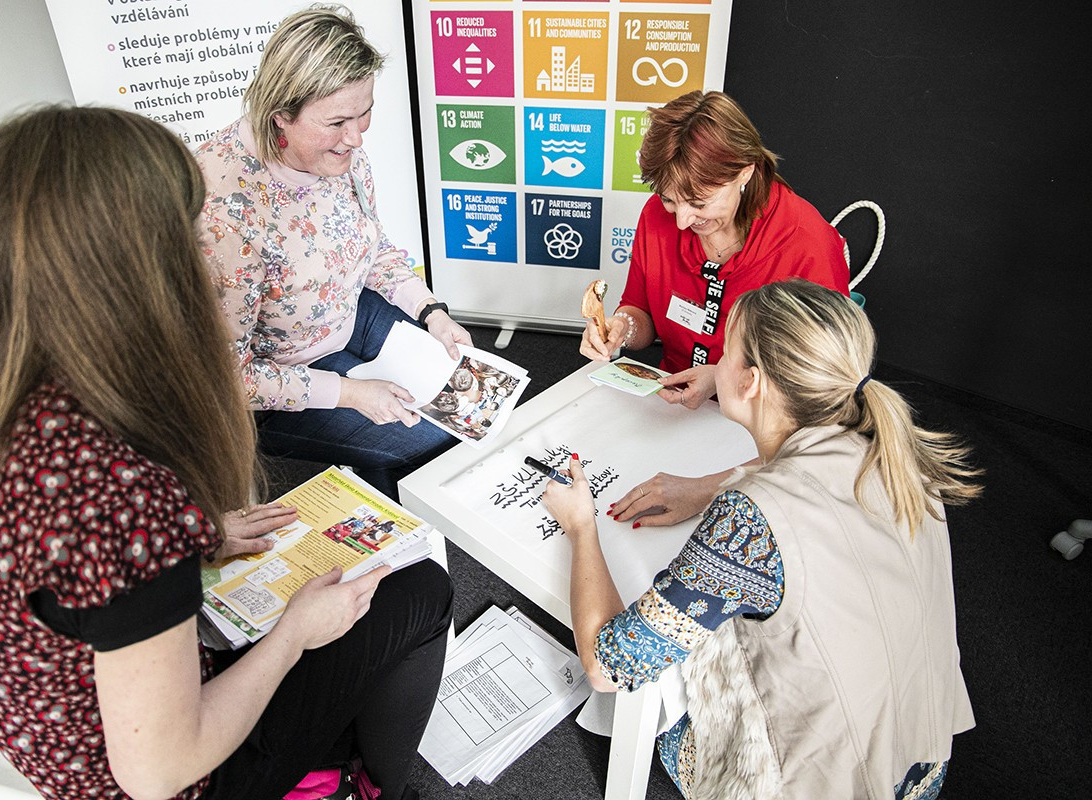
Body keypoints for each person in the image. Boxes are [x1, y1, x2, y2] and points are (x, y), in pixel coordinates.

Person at [0, 106, 452, 800]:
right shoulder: (121, 492)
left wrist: (194, 541)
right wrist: (294, 637)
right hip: (159, 777)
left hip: (30, 717)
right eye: (189, 231)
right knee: (422, 590)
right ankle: (374, 788)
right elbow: (160, 773)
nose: (205, 247)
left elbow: (60, 570)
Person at [547, 279, 979, 799]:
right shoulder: (893, 446)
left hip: (835, 787)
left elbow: (607, 667)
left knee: (669, 700)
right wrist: (710, 487)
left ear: (751, 381)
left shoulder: (749, 522)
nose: (717, 364)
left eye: (725, 354)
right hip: (920, 759)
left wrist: (582, 526)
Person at [195, 4, 470, 499]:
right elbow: (228, 376)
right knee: (426, 437)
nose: (357, 137)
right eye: (338, 121)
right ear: (281, 116)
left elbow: (373, 246)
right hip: (279, 374)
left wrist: (430, 311)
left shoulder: (341, 151)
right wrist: (350, 394)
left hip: (347, 312)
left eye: (364, 112)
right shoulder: (225, 215)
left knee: (467, 394)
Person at [580, 90, 851, 521]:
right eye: (669, 199)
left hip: (765, 443)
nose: (681, 220)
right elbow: (640, 309)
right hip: (669, 411)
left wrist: (723, 381)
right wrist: (621, 329)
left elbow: (823, 404)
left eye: (699, 203)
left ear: (745, 172)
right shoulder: (657, 217)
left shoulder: (808, 246)